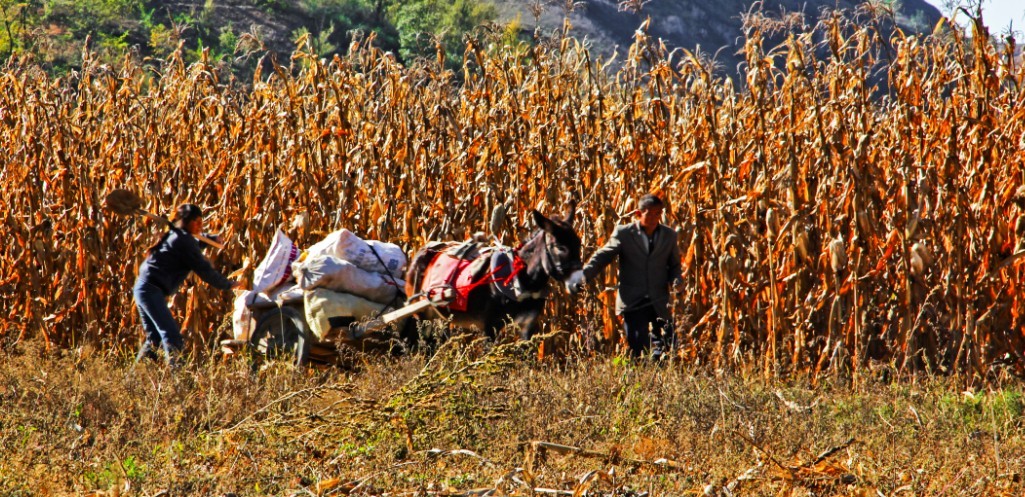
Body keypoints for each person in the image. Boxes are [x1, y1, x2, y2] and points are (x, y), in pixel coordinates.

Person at [134, 203, 239, 367]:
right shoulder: (182, 240)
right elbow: (204, 269)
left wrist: (210, 239)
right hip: (151, 290)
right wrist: (229, 284)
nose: (200, 226)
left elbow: (192, 246)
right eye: (197, 222)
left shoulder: (179, 236)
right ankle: (180, 383)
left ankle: (132, 381)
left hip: (144, 288)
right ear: (188, 222)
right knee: (172, 336)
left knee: (154, 340)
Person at [580, 194, 683, 360]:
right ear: (638, 213)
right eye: (649, 214)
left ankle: (659, 379)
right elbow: (603, 256)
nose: (654, 218)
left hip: (658, 300)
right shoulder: (624, 234)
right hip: (633, 301)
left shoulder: (669, 235)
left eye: (658, 214)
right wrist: (584, 276)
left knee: (667, 347)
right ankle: (643, 380)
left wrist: (677, 280)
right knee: (639, 348)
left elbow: (674, 265)